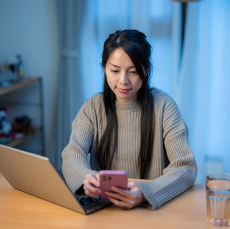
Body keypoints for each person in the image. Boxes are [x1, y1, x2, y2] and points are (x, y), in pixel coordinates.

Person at [62, 29, 197, 210]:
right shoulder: (92, 107)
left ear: (146, 69)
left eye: (133, 71)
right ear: (104, 68)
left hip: (151, 210)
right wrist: (84, 178)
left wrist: (146, 192)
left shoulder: (164, 106)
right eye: (115, 70)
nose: (123, 80)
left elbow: (185, 167)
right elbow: (72, 154)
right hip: (104, 210)